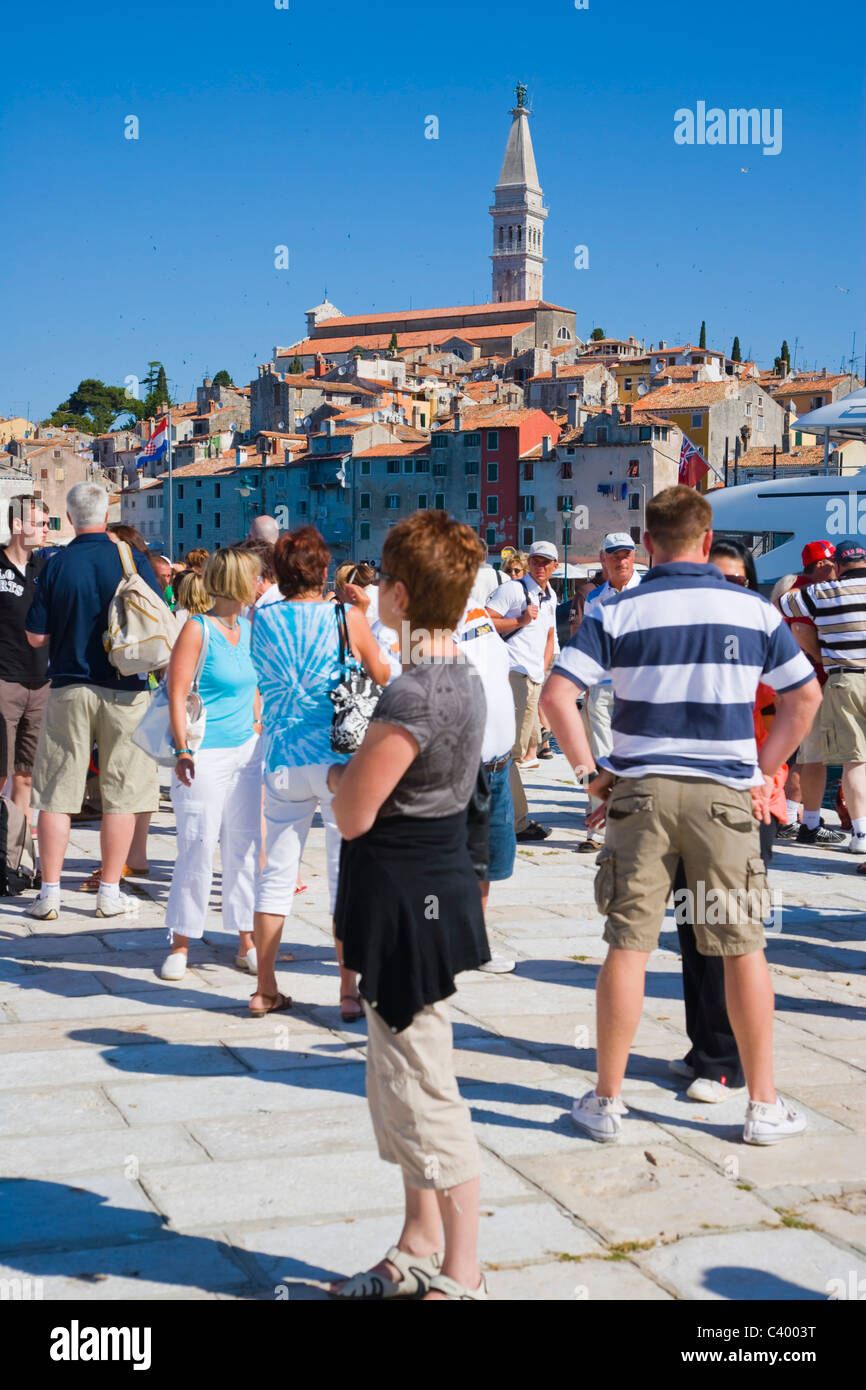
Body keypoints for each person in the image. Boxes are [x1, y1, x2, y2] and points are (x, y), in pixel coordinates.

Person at [541, 484, 821, 1146]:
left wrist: (592, 776)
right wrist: (761, 767)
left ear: (646, 545)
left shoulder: (619, 609)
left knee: (628, 946)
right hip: (724, 797)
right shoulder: (753, 610)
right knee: (741, 948)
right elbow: (803, 696)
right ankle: (762, 1105)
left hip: (641, 794)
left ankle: (607, 1102)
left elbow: (558, 696)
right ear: (706, 540)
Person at [328, 510, 490, 1301]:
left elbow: (353, 812)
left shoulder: (414, 694)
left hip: (406, 900)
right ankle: (419, 1240)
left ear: (395, 593)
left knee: (424, 1090)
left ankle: (463, 1271)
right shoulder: (461, 673)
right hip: (431, 885)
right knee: (397, 1080)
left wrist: (336, 778)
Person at [667, 537, 790, 1104]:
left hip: (742, 803)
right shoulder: (683, 642)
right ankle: (704, 1048)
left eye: (737, 582)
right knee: (692, 932)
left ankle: (726, 1064)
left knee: (730, 933)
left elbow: (797, 705)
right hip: (683, 801)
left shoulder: (765, 640)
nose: (725, 592)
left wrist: (765, 774)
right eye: (715, 580)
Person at [249, 527, 390, 1019]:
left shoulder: (261, 621)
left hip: (282, 755)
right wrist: (365, 618)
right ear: (324, 570)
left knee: (276, 875)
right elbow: (382, 673)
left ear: (278, 574)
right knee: (344, 874)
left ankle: (264, 988)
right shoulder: (344, 616)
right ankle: (348, 991)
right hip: (336, 757)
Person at [24, 482, 164, 920]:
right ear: (107, 514)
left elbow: (35, 635)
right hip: (125, 688)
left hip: (68, 686)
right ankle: (108, 891)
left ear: (68, 519)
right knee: (121, 794)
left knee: (57, 793)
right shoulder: (130, 558)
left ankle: (49, 894)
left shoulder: (55, 564)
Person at [160, 547, 263, 982]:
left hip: (247, 752)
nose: (261, 586)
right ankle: (182, 942)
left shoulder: (250, 629)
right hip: (204, 754)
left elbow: (256, 686)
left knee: (244, 848)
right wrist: (183, 749)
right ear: (238, 583)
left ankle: (247, 941)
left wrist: (257, 725)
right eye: (256, 578)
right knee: (198, 845)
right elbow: (177, 693)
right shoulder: (197, 629)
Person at [78, 524, 163, 891]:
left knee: (122, 780)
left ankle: (122, 862)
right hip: (140, 680)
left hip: (122, 682)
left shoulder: (129, 572)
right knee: (136, 778)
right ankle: (136, 856)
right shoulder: (142, 572)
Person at [781, 538, 866, 862]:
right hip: (824, 683)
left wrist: (825, 657)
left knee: (853, 761)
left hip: (841, 679)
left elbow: (785, 606)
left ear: (840, 564)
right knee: (812, 756)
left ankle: (859, 834)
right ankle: (803, 820)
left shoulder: (820, 594)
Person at [456, 575, 518, 974]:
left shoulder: (476, 612)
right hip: (461, 765)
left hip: (498, 763)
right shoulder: (420, 625)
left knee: (486, 861)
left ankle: (474, 943)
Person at [486, 540, 560, 840]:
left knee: (513, 752)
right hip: (512, 673)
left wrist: (541, 672)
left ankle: (509, 818)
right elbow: (485, 620)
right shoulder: (514, 589)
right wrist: (519, 619)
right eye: (536, 561)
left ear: (554, 566)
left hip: (531, 677)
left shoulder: (550, 595)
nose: (540, 566)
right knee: (507, 752)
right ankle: (514, 821)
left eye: (546, 562)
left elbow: (549, 635)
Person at [776, 542, 845, 846]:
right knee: (807, 755)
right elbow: (801, 633)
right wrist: (824, 660)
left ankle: (791, 817)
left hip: (793, 684)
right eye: (832, 563)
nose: (837, 567)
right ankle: (795, 820)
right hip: (806, 684)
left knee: (802, 755)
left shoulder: (796, 591)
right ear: (819, 565)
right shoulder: (805, 593)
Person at [578, 534, 642, 854]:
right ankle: (599, 830)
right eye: (615, 555)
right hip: (602, 685)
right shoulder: (596, 598)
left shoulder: (648, 592)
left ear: (634, 556)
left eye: (627, 554)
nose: (621, 560)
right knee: (600, 754)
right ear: (604, 558)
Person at [0, 498, 50, 821]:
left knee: (27, 774)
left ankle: (17, 856)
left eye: (48, 523)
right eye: (41, 523)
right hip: (4, 682)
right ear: (18, 526)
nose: (47, 530)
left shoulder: (45, 569)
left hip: (41, 683)